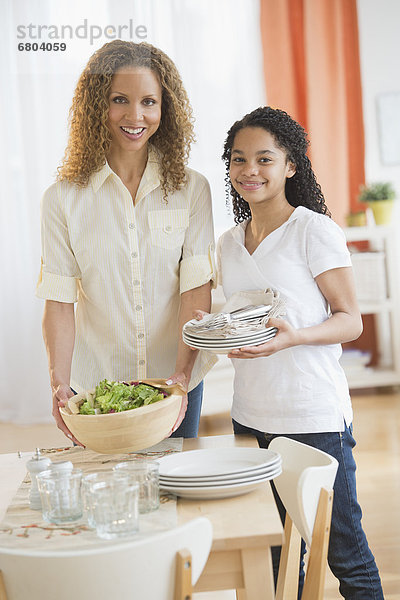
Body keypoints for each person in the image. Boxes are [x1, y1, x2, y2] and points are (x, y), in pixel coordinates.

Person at [213, 106, 383, 598]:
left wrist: (295, 337)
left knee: (343, 550)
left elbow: (349, 320)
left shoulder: (314, 230)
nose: (250, 170)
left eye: (265, 159)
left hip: (313, 418)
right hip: (250, 417)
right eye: (239, 159)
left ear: (291, 165)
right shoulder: (228, 243)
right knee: (275, 553)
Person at [36, 40, 216, 445]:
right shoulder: (62, 197)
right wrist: (59, 384)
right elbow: (60, 302)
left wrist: (182, 377)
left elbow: (195, 291)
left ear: (164, 108)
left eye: (149, 102)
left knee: (174, 495)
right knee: (111, 496)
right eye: (120, 100)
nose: (136, 116)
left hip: (175, 378)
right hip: (96, 382)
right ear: (98, 105)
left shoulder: (192, 189)